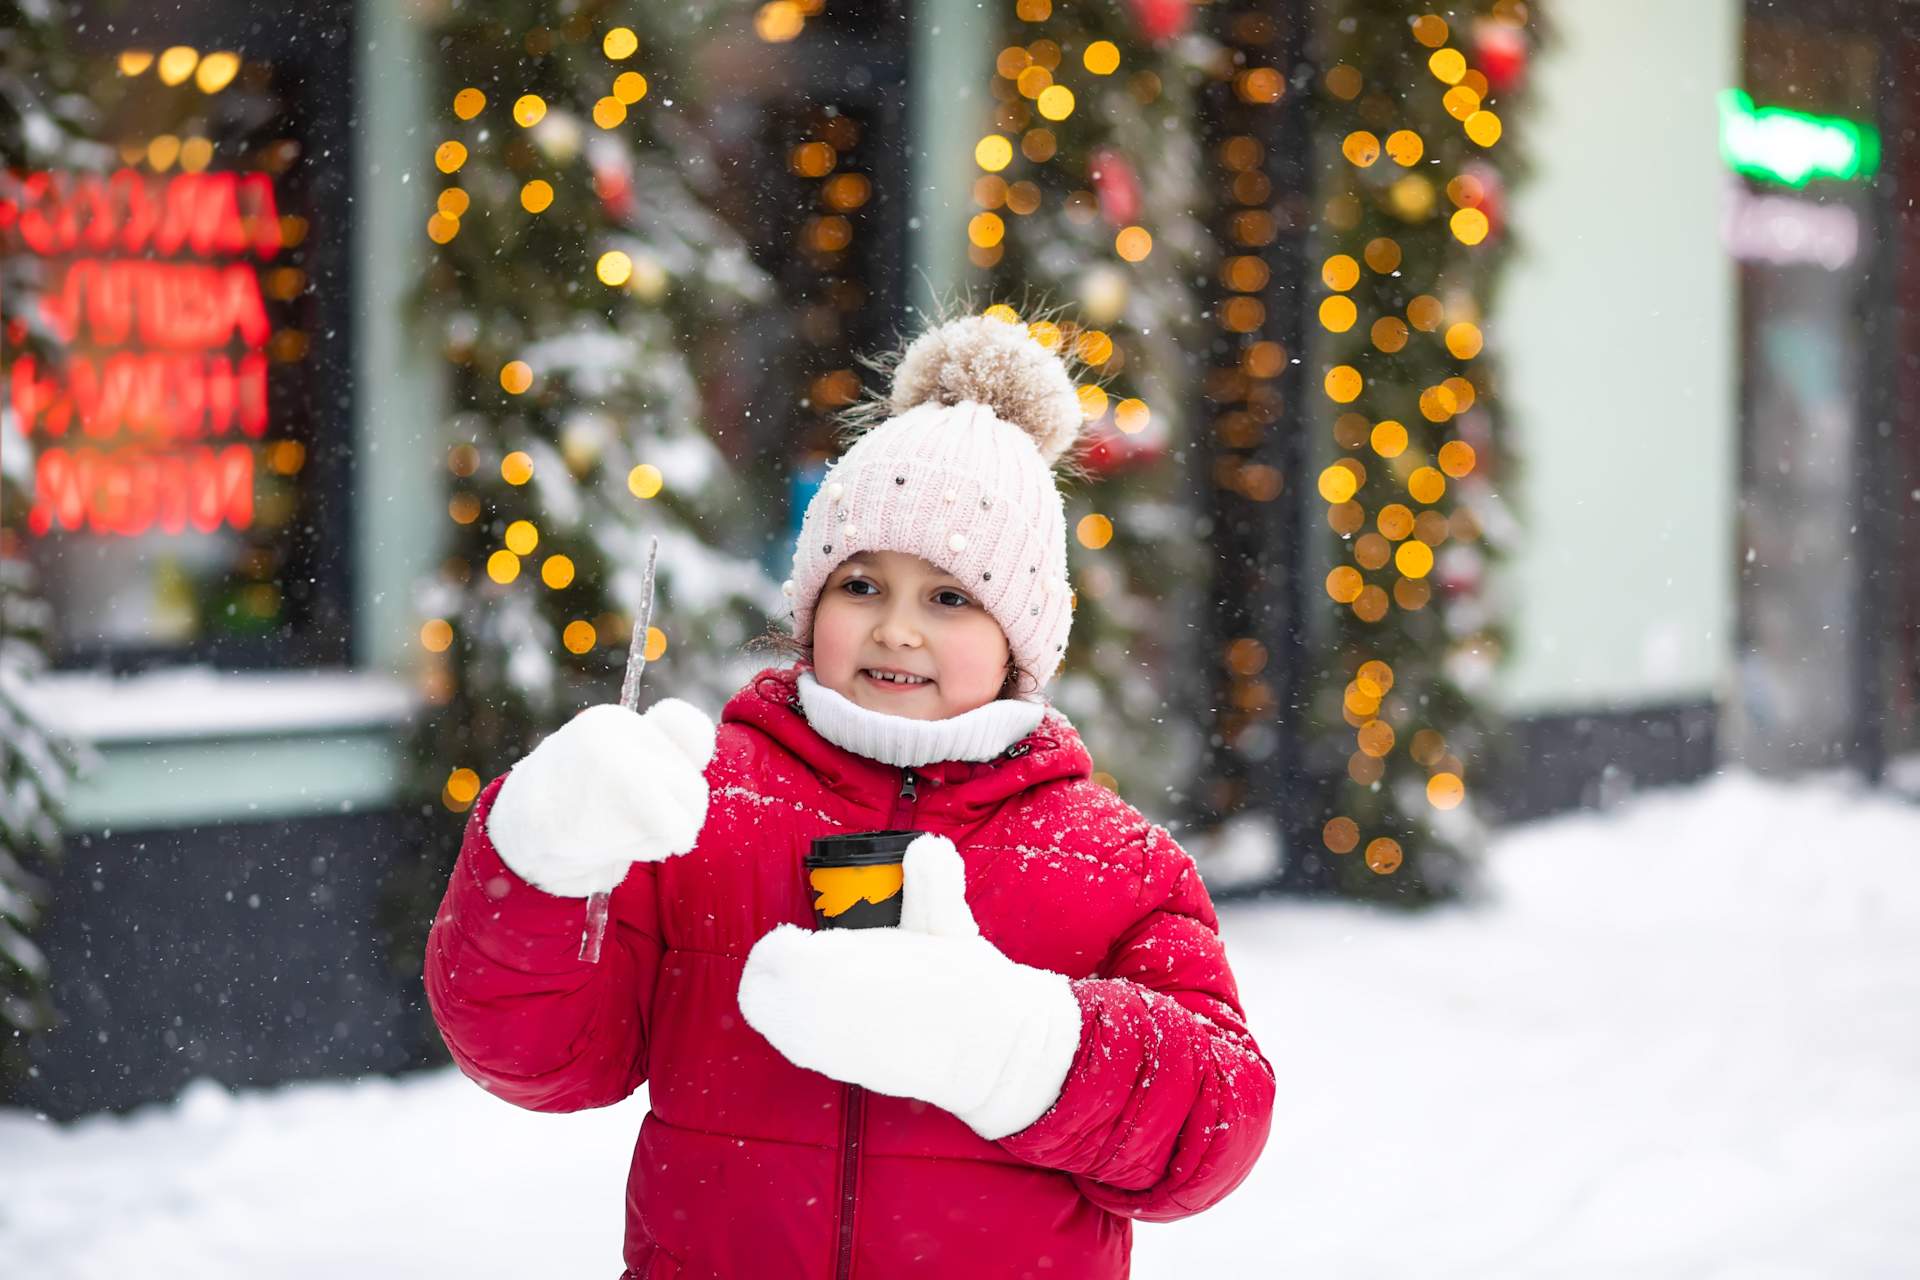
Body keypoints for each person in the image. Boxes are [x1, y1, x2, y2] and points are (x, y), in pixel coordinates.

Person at [424, 311, 1276, 1279]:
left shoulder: (1115, 862)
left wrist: (1015, 1046)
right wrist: (539, 860)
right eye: (862, 585)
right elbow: (541, 1057)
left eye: (950, 597)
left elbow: (1216, 1129)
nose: (897, 630)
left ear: (1023, 636)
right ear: (810, 601)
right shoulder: (696, 807)